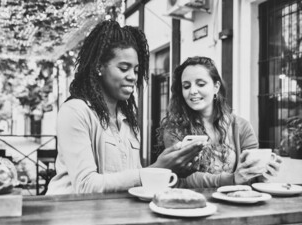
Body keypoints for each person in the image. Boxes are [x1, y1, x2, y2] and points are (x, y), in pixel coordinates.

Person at [46, 21, 203, 195]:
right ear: (99, 67)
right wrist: (156, 169)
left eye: (136, 70)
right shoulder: (75, 111)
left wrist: (171, 169)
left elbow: (132, 180)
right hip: (71, 215)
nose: (132, 77)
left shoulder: (127, 118)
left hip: (115, 214)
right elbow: (85, 185)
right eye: (123, 68)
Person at [157, 56, 282, 188]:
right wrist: (232, 179)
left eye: (200, 84)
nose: (192, 91)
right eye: (186, 86)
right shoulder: (174, 129)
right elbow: (183, 177)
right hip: (192, 204)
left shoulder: (241, 127)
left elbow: (249, 175)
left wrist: (261, 173)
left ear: (216, 87)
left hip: (235, 204)